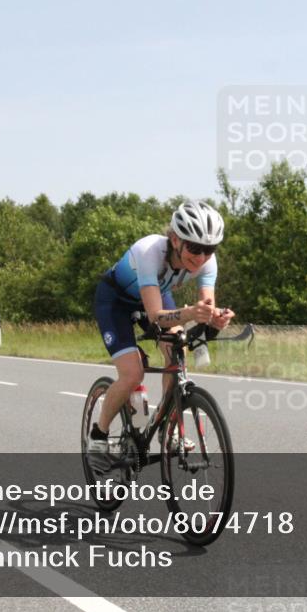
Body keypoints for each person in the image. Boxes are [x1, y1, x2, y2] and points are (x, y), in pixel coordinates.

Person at [89, 201, 234, 472]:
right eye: (194, 248)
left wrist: (214, 318)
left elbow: (206, 306)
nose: (201, 257)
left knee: (177, 352)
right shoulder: (149, 252)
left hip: (155, 295)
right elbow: (156, 315)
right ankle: (98, 435)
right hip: (116, 301)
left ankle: (169, 430)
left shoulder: (207, 263)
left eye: (209, 249)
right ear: (175, 239)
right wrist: (191, 312)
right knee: (133, 374)